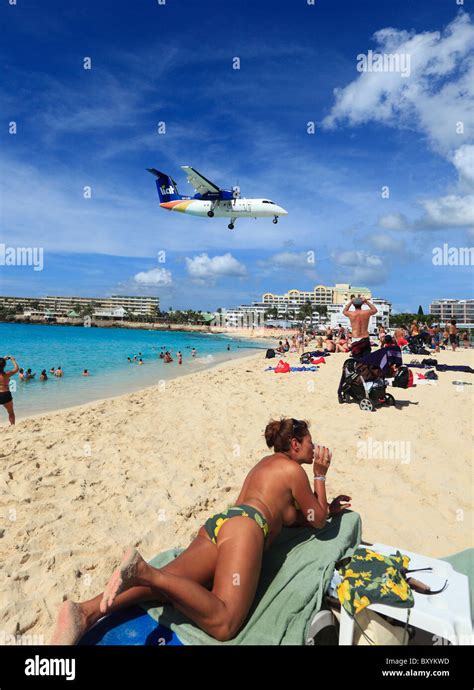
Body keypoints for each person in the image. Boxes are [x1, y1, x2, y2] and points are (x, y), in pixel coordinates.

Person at [50, 418, 351, 644]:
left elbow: (293, 514)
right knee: (224, 623)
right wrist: (321, 476)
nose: (316, 449)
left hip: (221, 525)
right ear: (296, 444)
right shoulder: (293, 469)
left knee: (170, 584)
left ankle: (85, 611)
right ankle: (145, 571)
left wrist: (322, 508)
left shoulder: (265, 465)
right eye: (311, 444)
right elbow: (318, 520)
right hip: (246, 530)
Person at [0, 356, 19, 425]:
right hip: (5, 394)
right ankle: (12, 426)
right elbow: (16, 369)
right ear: (4, 365)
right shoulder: (6, 374)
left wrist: (3, 359)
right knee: (10, 412)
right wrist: (13, 360)